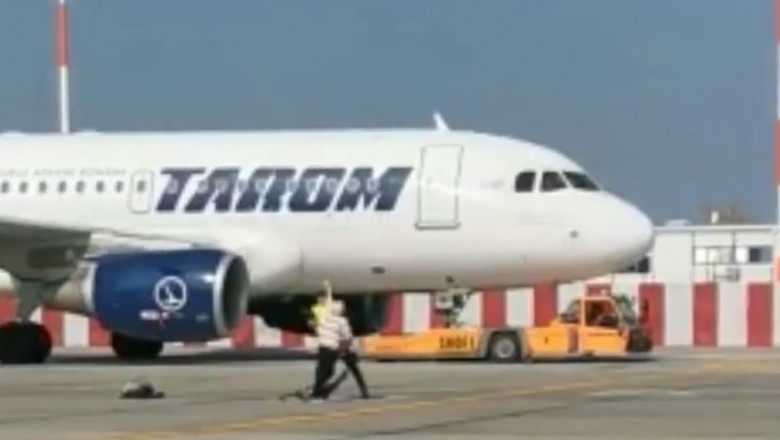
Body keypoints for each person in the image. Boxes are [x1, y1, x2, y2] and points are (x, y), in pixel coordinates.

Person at [308, 300, 353, 400]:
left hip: (323, 346)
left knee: (321, 368)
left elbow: (318, 329)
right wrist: (346, 346)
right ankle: (318, 388)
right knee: (329, 370)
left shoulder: (325, 318)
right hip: (332, 348)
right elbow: (347, 336)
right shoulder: (342, 321)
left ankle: (318, 386)